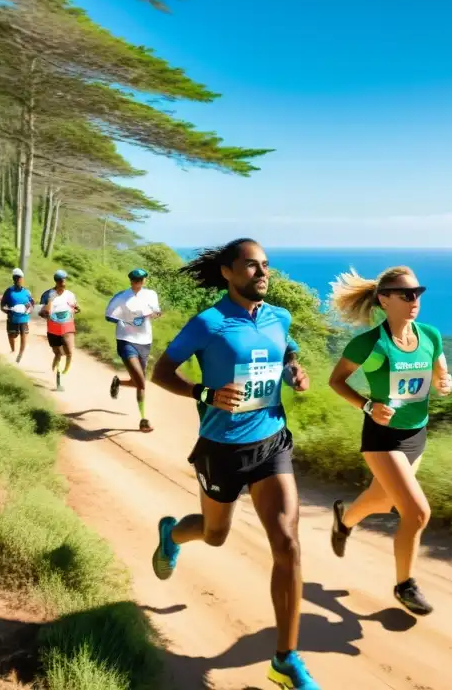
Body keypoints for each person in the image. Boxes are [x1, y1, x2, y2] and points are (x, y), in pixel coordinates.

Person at [149, 239, 319, 690]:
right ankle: (172, 534)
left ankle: (284, 659)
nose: (262, 272)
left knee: (287, 544)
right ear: (228, 272)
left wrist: (294, 372)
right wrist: (205, 393)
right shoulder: (209, 323)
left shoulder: (279, 317)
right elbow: (160, 373)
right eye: (251, 266)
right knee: (215, 534)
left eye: (265, 265)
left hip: (272, 441)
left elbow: (286, 353)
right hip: (221, 449)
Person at [326, 266, 452, 617]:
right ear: (384, 300)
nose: (415, 300)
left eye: (418, 293)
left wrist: (446, 383)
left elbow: (441, 373)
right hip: (382, 438)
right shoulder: (371, 343)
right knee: (415, 512)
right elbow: (336, 381)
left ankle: (344, 520)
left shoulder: (429, 335)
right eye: (406, 294)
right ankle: (405, 585)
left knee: (382, 501)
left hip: (417, 434)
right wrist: (367, 405)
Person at [105, 268, 162, 433]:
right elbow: (109, 316)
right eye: (135, 280)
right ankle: (144, 420)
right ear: (130, 280)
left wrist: (154, 314)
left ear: (145, 280)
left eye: (141, 279)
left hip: (145, 341)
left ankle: (119, 382)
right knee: (141, 381)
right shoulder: (121, 297)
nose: (138, 282)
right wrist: (124, 318)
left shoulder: (151, 294)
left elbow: (156, 311)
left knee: (139, 382)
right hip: (126, 340)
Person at [38, 269, 80, 392]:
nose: (63, 282)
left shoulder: (70, 295)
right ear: (56, 281)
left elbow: (75, 308)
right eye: (61, 280)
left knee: (69, 352)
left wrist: (75, 310)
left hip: (67, 327)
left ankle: (63, 373)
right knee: (58, 354)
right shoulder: (47, 295)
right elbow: (40, 311)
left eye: (65, 279)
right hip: (53, 327)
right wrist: (46, 313)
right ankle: (58, 380)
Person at [0, 268, 34, 363]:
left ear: (22, 279)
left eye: (20, 278)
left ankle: (20, 355)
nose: (19, 280)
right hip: (12, 319)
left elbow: (32, 303)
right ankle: (13, 350)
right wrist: (8, 311)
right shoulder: (9, 292)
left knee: (24, 335)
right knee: (12, 336)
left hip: (24, 318)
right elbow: (2, 305)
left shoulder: (27, 292)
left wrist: (29, 309)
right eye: (16, 278)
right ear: (14, 279)